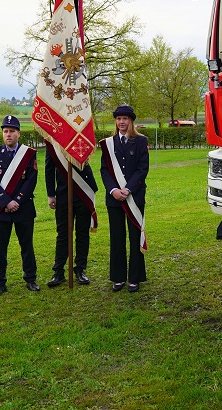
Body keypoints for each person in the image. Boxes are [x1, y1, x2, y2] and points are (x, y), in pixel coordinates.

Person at [0, 115, 40, 295]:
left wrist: (17, 200)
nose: (8, 134)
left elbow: (31, 180)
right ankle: (0, 282)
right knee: (0, 248)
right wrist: (6, 201)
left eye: (12, 131)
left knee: (27, 246)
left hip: (23, 207)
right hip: (2, 209)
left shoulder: (29, 154)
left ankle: (30, 279)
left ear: (18, 133)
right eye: (5, 131)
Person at [100, 104, 149, 293]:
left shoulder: (140, 141)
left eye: (125, 119)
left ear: (131, 121)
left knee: (135, 236)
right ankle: (118, 278)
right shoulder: (108, 143)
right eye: (118, 119)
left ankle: (135, 278)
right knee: (117, 238)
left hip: (134, 197)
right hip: (114, 199)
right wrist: (113, 190)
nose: (121, 122)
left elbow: (142, 169)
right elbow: (105, 170)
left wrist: (127, 189)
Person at [45, 140, 98, 287]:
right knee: (63, 234)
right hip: (62, 194)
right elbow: (49, 169)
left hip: (83, 192)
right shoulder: (53, 142)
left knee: (82, 233)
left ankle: (80, 269)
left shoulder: (79, 135)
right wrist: (50, 194)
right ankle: (58, 271)